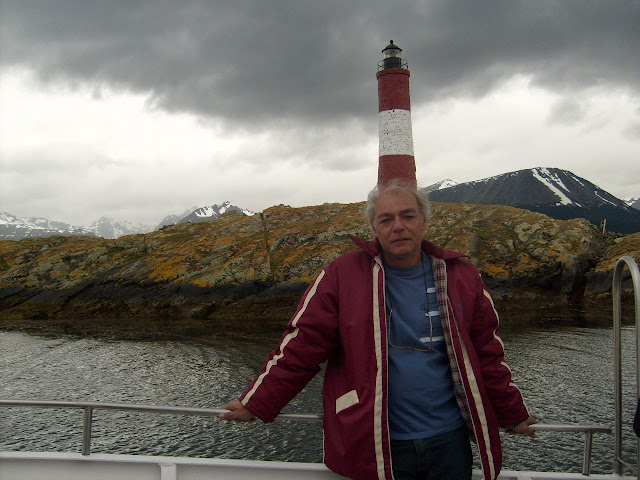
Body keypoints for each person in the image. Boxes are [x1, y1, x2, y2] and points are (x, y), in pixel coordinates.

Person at [220, 180, 536, 480]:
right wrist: (257, 402)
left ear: (424, 221)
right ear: (374, 228)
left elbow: (487, 355)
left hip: (449, 439)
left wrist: (513, 413)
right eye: (386, 219)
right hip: (376, 440)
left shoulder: (461, 275)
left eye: (408, 216)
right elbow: (302, 347)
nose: (398, 226)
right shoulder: (341, 276)